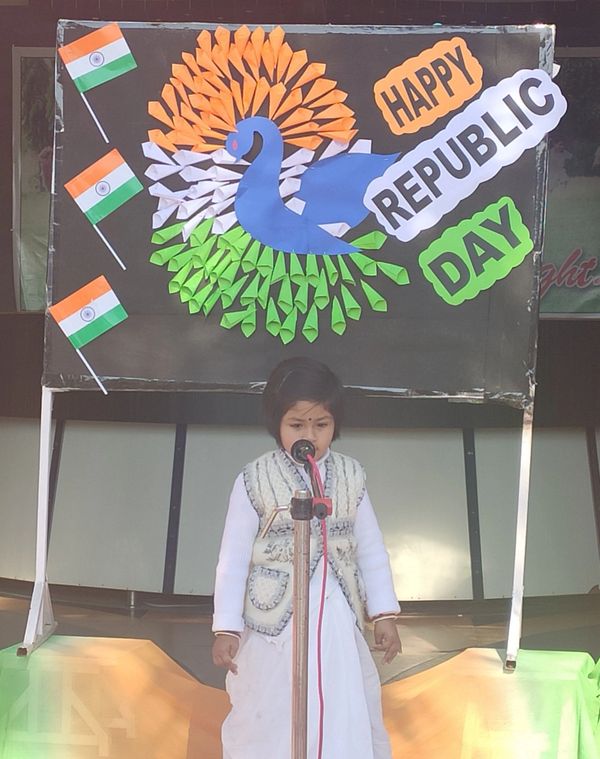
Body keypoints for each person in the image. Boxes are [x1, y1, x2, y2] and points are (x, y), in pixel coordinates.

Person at [212, 356, 401, 758]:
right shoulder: (253, 479)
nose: (310, 435)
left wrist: (384, 613)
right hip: (273, 627)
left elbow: (370, 549)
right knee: (272, 713)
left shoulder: (352, 475)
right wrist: (226, 627)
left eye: (321, 425)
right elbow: (233, 559)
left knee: (340, 705)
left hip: (336, 620)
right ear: (276, 424)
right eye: (297, 425)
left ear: (336, 424)